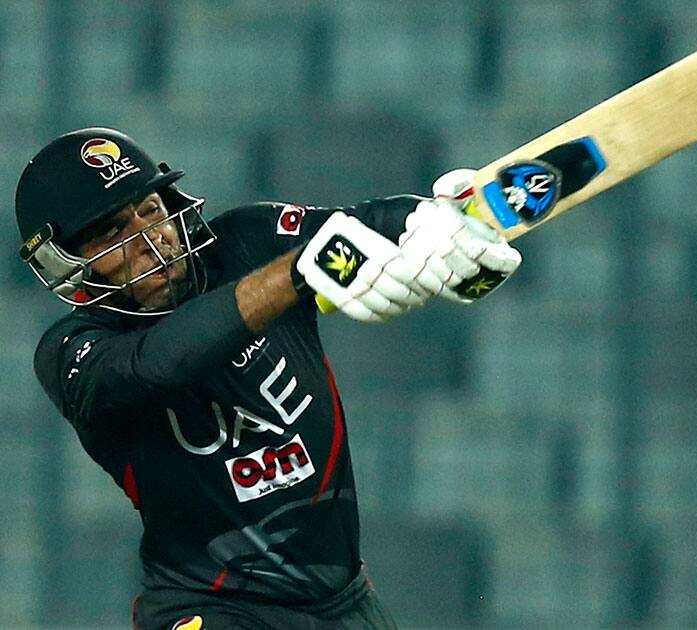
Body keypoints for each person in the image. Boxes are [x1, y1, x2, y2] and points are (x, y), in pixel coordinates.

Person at [16, 127, 522, 629]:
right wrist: (296, 274)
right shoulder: (70, 352)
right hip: (208, 609)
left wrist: (432, 225)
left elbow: (359, 227)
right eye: (111, 234)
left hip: (346, 603)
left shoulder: (245, 241)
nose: (151, 240)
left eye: (150, 210)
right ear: (69, 261)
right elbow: (157, 365)